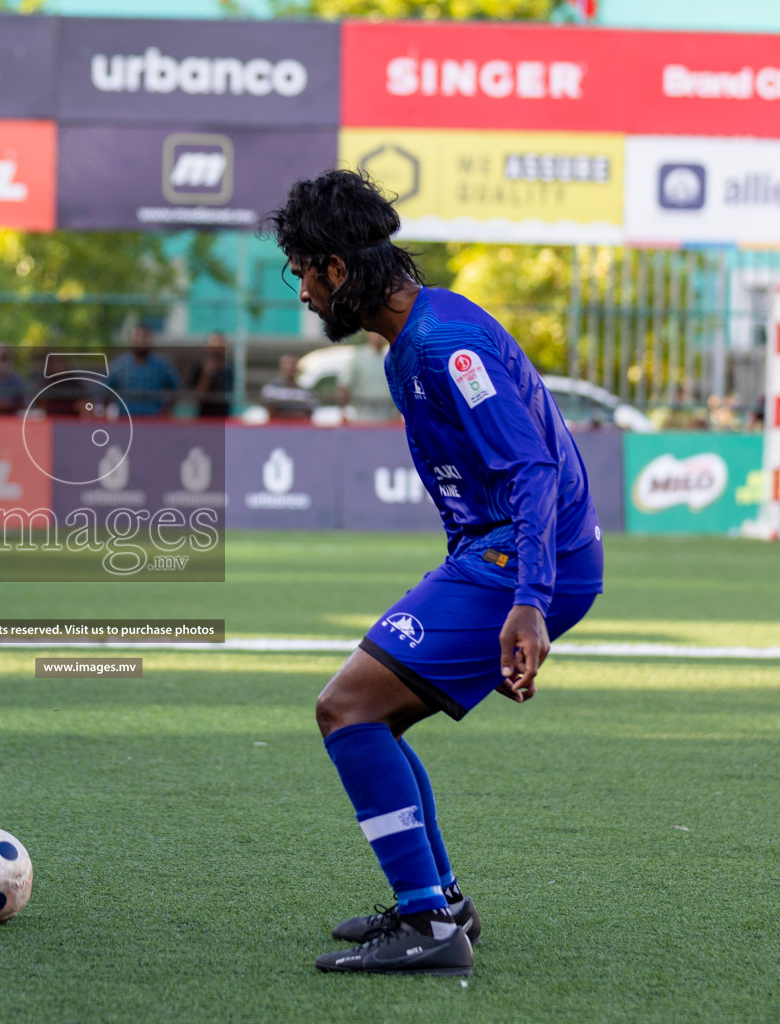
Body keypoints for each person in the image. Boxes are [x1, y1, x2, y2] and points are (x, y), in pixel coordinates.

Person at [269, 169, 604, 977]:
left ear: (338, 270)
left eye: (305, 272)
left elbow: (530, 468)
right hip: (506, 556)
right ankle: (441, 901)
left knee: (345, 709)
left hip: (528, 558)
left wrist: (527, 601)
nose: (305, 293)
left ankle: (428, 926)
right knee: (372, 714)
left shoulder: (446, 345)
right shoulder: (412, 341)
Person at [106, 325, 181, 417]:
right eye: (138, 336)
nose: (142, 340)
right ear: (131, 340)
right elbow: (104, 390)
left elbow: (177, 389)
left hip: (152, 421)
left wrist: (166, 411)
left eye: (145, 336)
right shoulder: (119, 365)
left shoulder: (162, 365)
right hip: (126, 421)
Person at [338, 332, 400, 424]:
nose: (379, 337)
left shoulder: (391, 359)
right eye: (376, 333)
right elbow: (344, 386)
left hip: (387, 420)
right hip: (362, 420)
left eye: (381, 333)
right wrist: (342, 413)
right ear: (369, 335)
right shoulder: (358, 357)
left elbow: (399, 388)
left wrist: (397, 415)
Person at [259, 353, 316, 422]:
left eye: (293, 365)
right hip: (277, 427)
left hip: (299, 428)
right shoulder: (271, 389)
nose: (290, 368)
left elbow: (308, 413)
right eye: (288, 365)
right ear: (281, 367)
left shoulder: (306, 391)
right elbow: (271, 411)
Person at [190, 332, 232, 418]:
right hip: (205, 418)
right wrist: (207, 374)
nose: (217, 346)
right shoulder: (199, 368)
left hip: (223, 417)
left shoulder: (229, 369)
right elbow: (197, 397)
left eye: (221, 342)